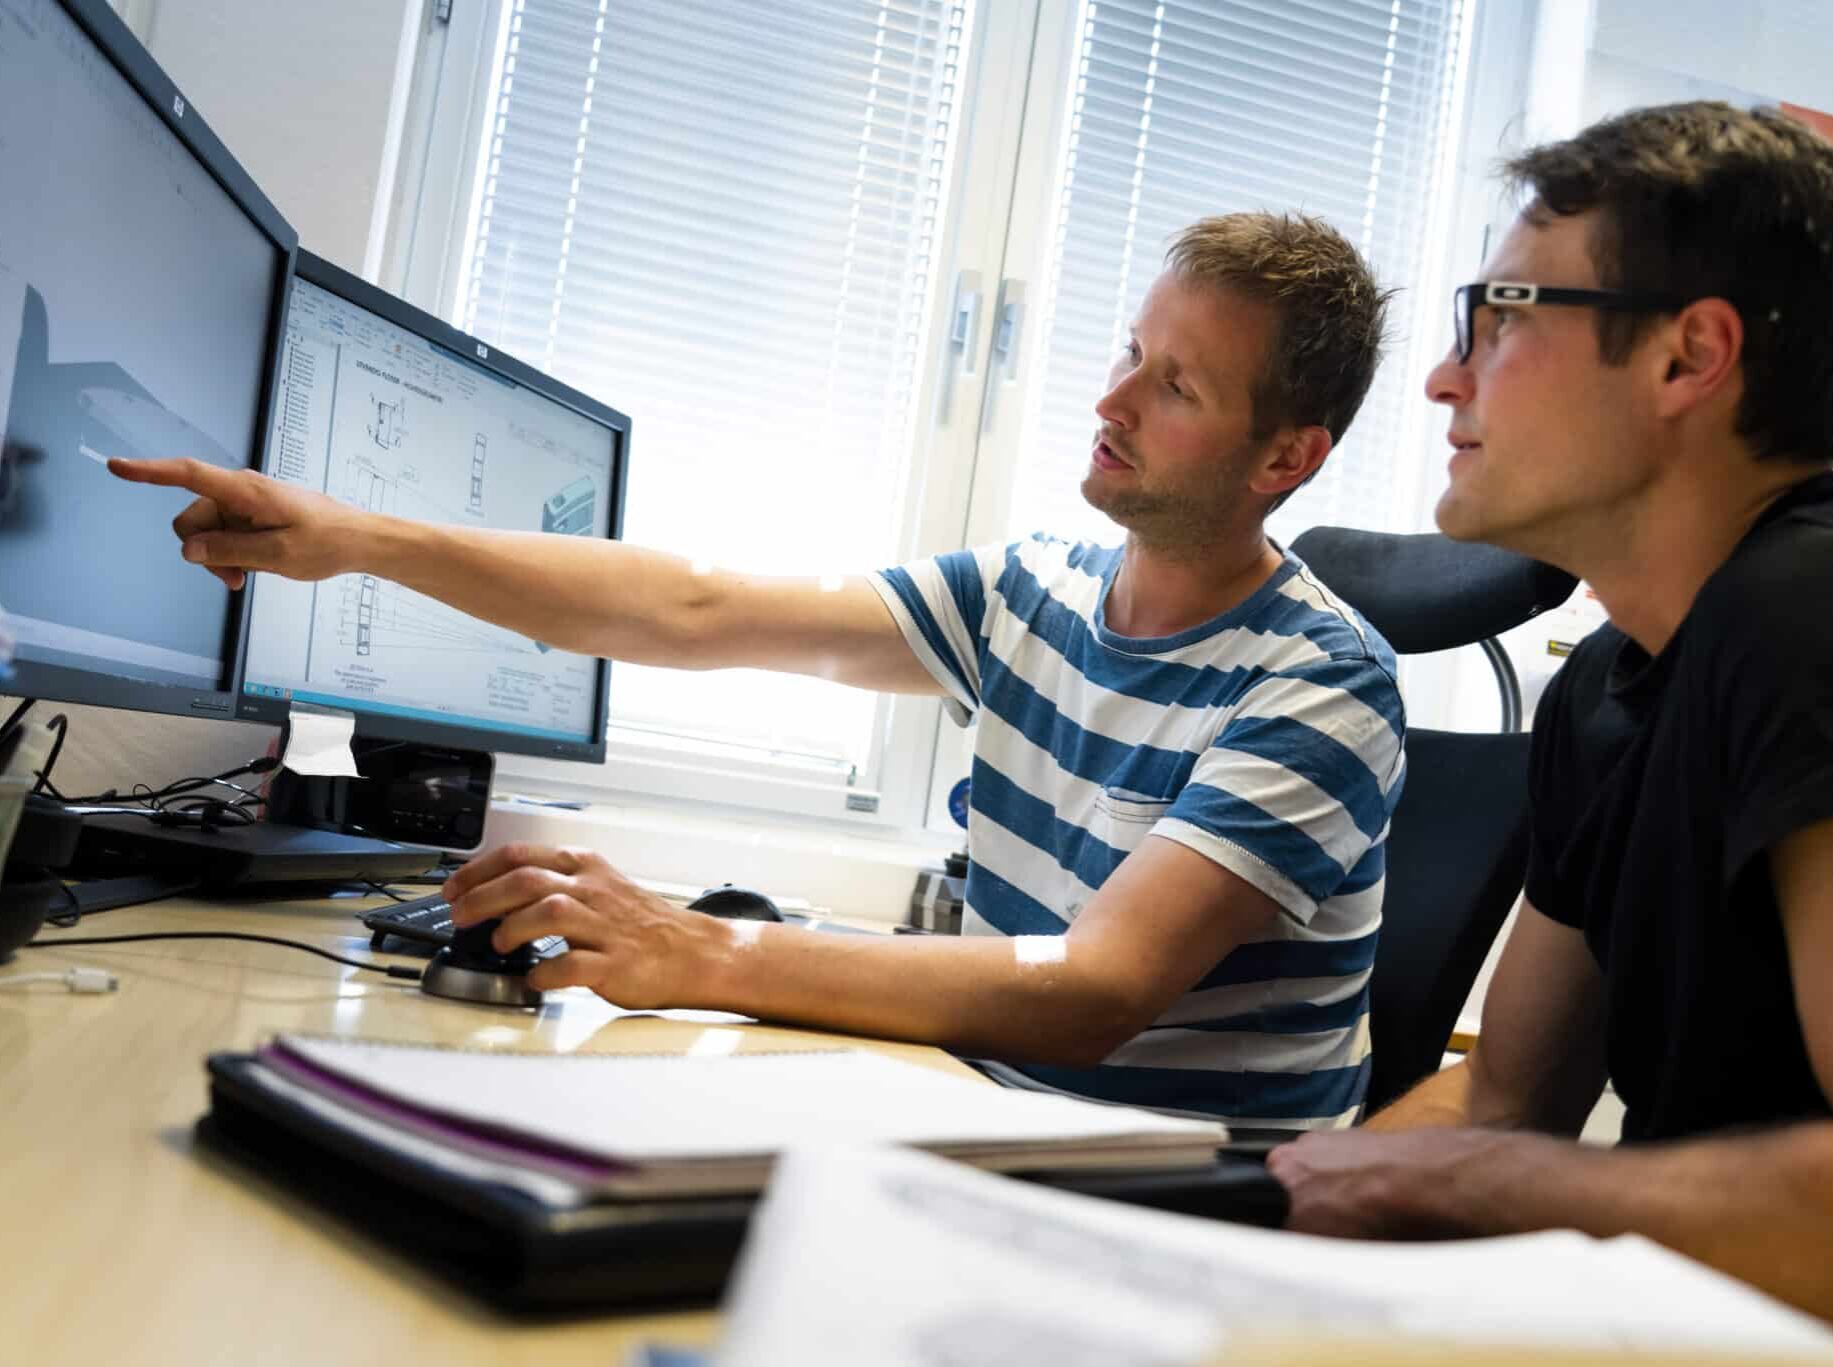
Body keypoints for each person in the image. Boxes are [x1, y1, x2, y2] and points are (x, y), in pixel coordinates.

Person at [114, 212, 1407, 1132]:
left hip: (1181, 1205)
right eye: (1127, 350)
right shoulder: (1036, 592)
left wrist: (700, 947)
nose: (1111, 401)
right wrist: (354, 538)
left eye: (1171, 383)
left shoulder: (1319, 683)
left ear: (1283, 457)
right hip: (996, 1123)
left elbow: (1090, 994)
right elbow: (692, 608)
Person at [1264, 102, 1833, 1361]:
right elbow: (1507, 1094)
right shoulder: (1609, 682)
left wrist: (1475, 1188)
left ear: (1687, 359)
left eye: (1504, 315)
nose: (1441, 376)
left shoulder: (1826, 618)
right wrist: (1256, 1238)